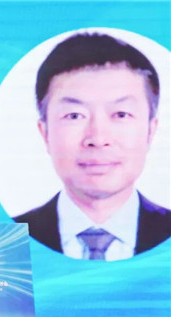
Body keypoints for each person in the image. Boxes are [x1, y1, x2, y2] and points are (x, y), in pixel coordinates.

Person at [14, 32, 171, 261]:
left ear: (150, 131)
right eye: (74, 115)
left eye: (121, 114)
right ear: (45, 133)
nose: (97, 138)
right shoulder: (3, 242)